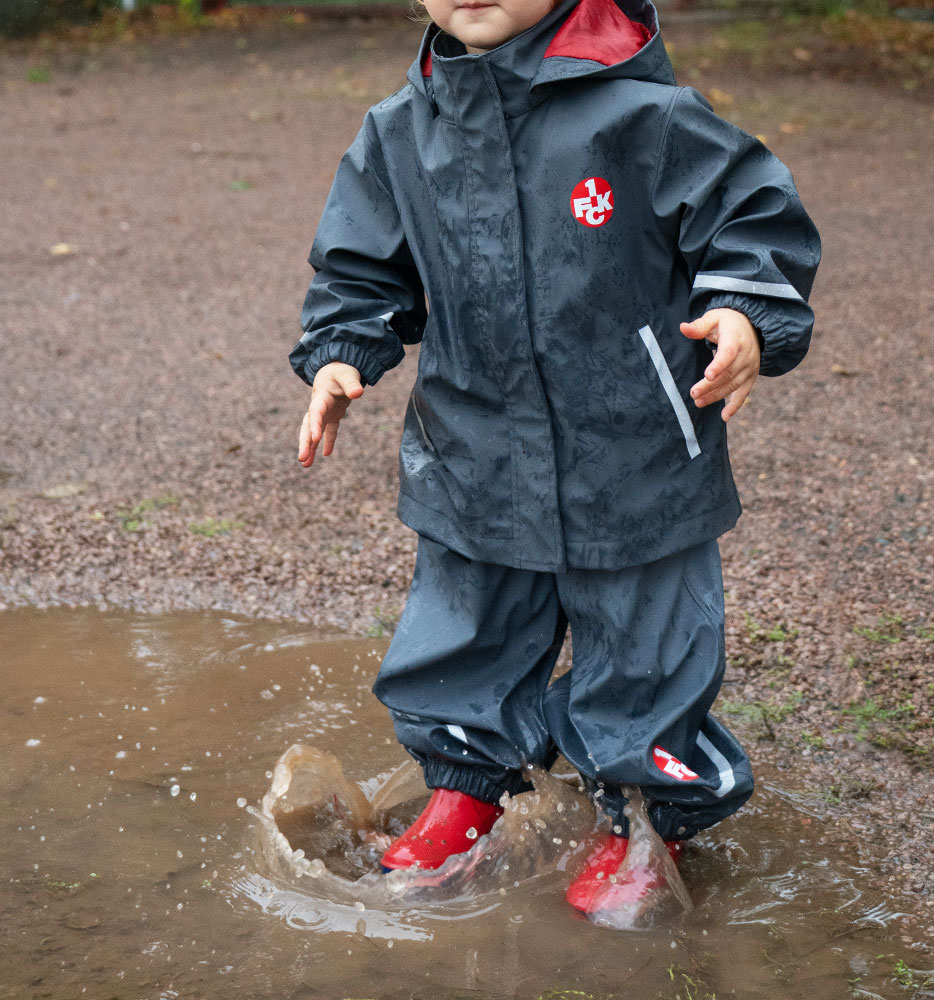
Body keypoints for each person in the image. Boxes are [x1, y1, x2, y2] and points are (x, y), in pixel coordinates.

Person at [290, 0, 820, 916]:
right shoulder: (399, 133)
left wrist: (743, 313)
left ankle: (646, 816)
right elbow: (362, 266)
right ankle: (464, 788)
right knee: (465, 628)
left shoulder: (644, 116)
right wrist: (343, 351)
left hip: (637, 453)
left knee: (646, 644)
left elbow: (752, 215)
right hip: (475, 452)